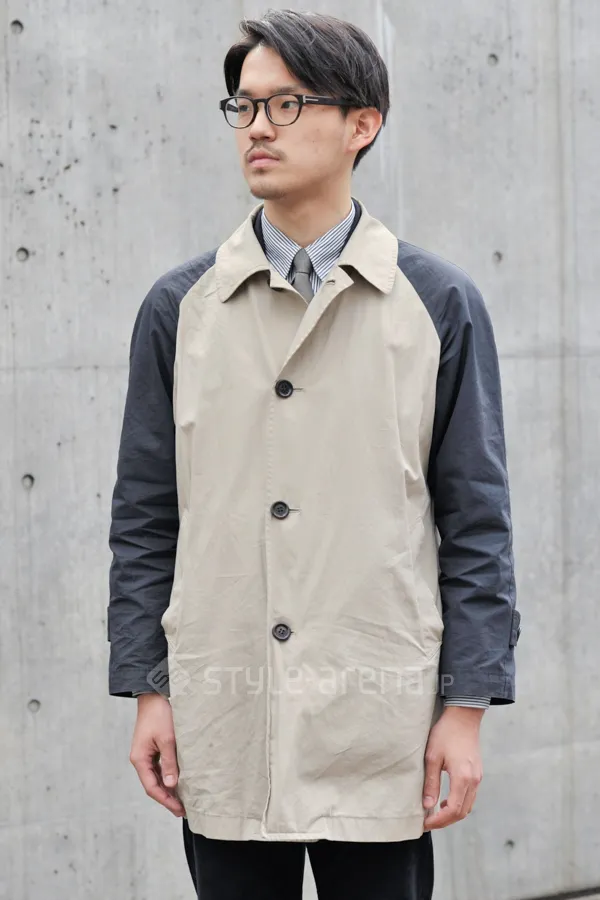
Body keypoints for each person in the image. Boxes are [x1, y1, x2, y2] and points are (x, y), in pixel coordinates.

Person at [107, 9, 521, 900]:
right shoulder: (180, 309)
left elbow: (476, 522)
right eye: (245, 105)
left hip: (379, 716)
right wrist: (149, 689)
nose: (257, 127)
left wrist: (466, 709)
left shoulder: (437, 303)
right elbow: (145, 517)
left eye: (287, 104)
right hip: (225, 708)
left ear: (362, 124)